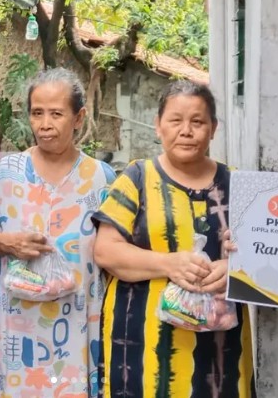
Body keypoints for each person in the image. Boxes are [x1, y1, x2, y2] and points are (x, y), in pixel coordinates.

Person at [92, 80, 255, 398]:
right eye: (175, 120)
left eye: (197, 122)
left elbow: (264, 255)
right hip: (142, 352)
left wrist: (235, 268)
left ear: (213, 128)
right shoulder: (136, 179)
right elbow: (105, 251)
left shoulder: (239, 185)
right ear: (158, 126)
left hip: (220, 353)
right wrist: (169, 264)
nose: (186, 131)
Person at [0, 68, 116, 397]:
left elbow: (118, 249)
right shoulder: (7, 174)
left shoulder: (101, 179)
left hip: (79, 332)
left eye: (56, 114)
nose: (45, 124)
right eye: (37, 113)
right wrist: (3, 241)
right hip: (18, 332)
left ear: (78, 118)